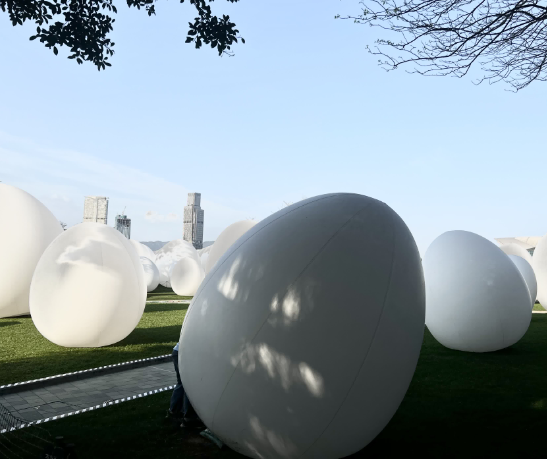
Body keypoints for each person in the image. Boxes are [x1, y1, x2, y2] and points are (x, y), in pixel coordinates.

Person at [167, 342, 204, 428]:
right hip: (186, 353)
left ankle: (174, 411)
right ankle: (190, 418)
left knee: (182, 383)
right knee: (190, 384)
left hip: (177, 351)